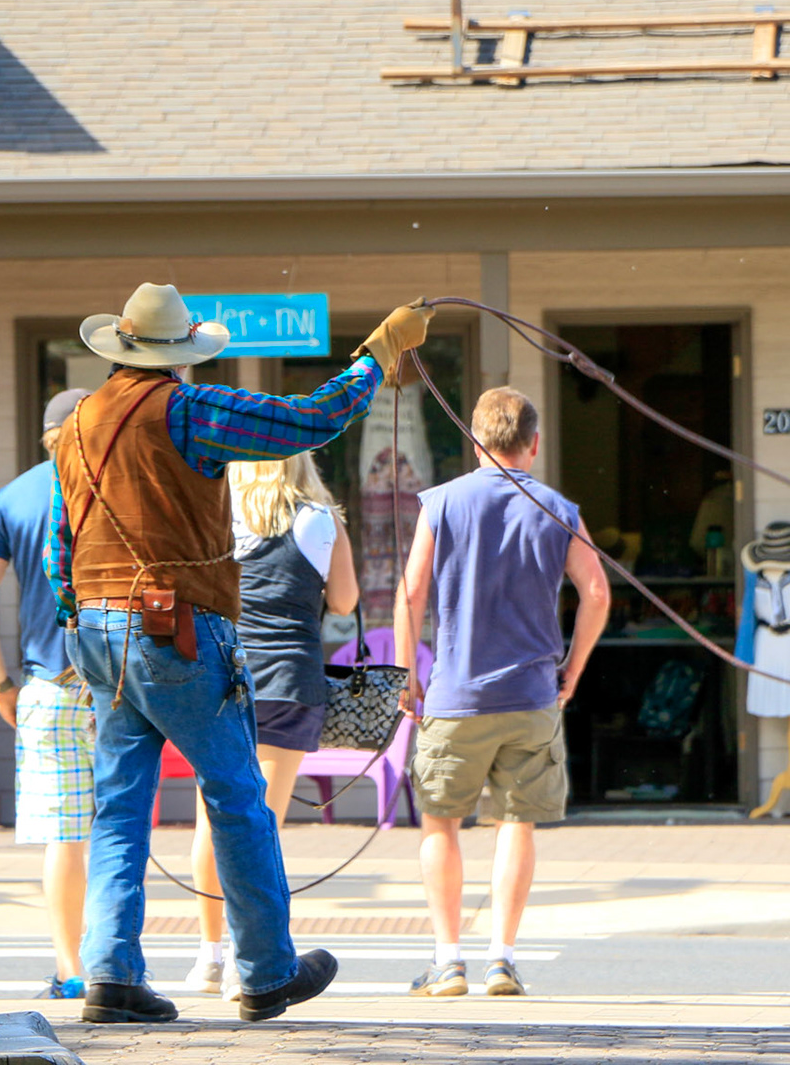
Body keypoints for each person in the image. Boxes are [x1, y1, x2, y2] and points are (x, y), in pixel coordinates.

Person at [45, 282, 432, 1024]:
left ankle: (111, 973)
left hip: (96, 631)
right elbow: (310, 423)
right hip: (177, 628)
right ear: (179, 356)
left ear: (121, 348)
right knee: (237, 797)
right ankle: (263, 972)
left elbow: (63, 544)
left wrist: (77, 621)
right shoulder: (187, 410)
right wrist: (380, 352)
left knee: (120, 808)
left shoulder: (80, 424)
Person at [394, 386, 610, 998]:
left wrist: (409, 673)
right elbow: (596, 594)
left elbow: (411, 595)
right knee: (517, 824)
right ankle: (502, 959)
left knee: (440, 824)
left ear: (476, 441)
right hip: (532, 694)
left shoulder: (440, 502)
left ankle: (448, 961)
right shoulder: (559, 509)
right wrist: (573, 666)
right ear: (533, 444)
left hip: (455, 694)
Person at [186, 452, 361, 998]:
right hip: (289, 684)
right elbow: (345, 601)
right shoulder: (318, 518)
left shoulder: (219, 516)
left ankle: (208, 958)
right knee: (260, 824)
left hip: (221, 682)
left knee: (209, 823)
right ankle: (252, 960)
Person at [0, 387, 94, 999]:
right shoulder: (115, 482)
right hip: (124, 678)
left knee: (66, 838)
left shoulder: (12, 496)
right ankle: (118, 965)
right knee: (121, 830)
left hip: (50, 685)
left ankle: (72, 970)